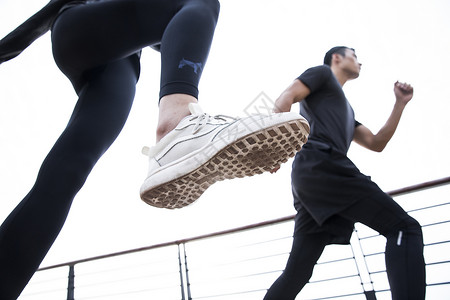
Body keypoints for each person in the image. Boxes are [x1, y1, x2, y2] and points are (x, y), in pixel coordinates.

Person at [0, 0, 310, 298]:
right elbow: (50, 11)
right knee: (200, 1)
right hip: (78, 28)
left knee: (67, 173)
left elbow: (170, 29)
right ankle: (177, 122)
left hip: (120, 68)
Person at [264, 46, 425, 300]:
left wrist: (400, 103)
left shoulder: (346, 110)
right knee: (404, 228)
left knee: (298, 271)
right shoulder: (322, 75)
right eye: (354, 56)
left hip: (312, 180)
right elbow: (287, 96)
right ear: (337, 58)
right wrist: (276, 148)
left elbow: (376, 142)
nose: (360, 62)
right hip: (323, 164)